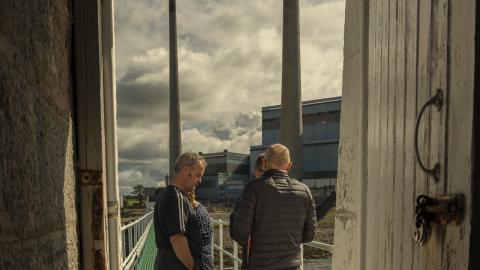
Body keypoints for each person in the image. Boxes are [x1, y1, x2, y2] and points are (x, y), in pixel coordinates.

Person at [231, 144, 317, 270]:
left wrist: (233, 217)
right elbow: (309, 235)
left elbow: (241, 235)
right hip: (292, 266)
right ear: (289, 165)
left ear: (265, 163)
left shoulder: (253, 188)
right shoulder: (304, 190)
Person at [154, 152, 206, 270]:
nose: (200, 180)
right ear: (186, 170)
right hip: (176, 264)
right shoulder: (176, 197)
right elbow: (177, 239)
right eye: (198, 175)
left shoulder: (166, 194)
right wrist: (192, 267)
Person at [230, 153, 266, 269]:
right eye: (264, 172)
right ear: (256, 172)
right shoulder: (247, 194)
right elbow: (236, 232)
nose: (268, 176)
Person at [186, 189, 214, 270]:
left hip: (201, 262)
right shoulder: (199, 208)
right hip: (206, 260)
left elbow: (197, 242)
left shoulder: (194, 214)